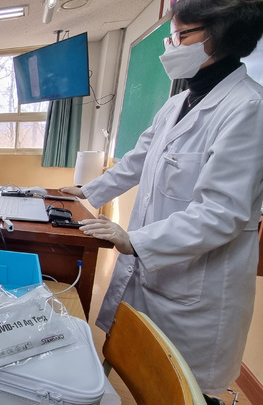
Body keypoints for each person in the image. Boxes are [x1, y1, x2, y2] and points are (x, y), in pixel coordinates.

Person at [61, 1, 263, 401]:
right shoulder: (176, 102)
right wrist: (90, 191)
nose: (171, 46)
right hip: (158, 277)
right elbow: (139, 159)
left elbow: (221, 213)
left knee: (184, 390)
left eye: (182, 35)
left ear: (220, 37)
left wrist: (134, 240)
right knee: (143, 369)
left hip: (199, 290)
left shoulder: (249, 108)